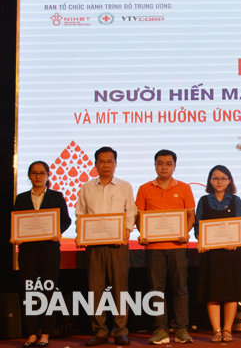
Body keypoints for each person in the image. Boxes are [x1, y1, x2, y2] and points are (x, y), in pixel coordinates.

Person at [75, 147, 136, 346]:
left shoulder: (125, 186)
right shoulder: (86, 187)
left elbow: (130, 212)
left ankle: (120, 331)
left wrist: (126, 230)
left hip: (118, 245)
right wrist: (81, 234)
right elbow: (80, 214)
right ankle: (100, 331)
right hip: (94, 246)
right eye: (101, 162)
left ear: (116, 164)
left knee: (120, 289)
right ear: (95, 164)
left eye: (110, 161)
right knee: (96, 289)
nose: (106, 165)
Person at [136, 149, 195, 344]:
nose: (164, 167)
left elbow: (190, 217)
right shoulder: (144, 189)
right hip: (153, 247)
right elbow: (139, 217)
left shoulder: (185, 188)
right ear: (154, 165)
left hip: (178, 246)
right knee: (156, 289)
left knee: (180, 288)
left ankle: (181, 329)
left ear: (174, 166)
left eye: (168, 163)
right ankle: (160, 329)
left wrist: (185, 232)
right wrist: (143, 234)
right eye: (160, 163)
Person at [12, 161, 71, 347]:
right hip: (28, 251)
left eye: (42, 173)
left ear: (48, 175)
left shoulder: (56, 196)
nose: (38, 176)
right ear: (29, 175)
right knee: (28, 291)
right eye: (34, 173)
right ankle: (31, 333)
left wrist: (58, 231)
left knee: (49, 292)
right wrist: (15, 236)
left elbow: (66, 220)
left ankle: (46, 332)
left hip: (49, 251)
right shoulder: (21, 198)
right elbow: (16, 223)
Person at [194, 165, 241, 343]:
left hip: (231, 253)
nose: (219, 181)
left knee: (231, 293)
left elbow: (240, 225)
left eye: (223, 178)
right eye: (215, 178)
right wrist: (201, 241)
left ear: (229, 181)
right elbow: (198, 226)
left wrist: (236, 240)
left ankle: (227, 330)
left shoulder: (235, 200)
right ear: (210, 180)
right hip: (211, 254)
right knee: (213, 293)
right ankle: (216, 331)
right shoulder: (203, 200)